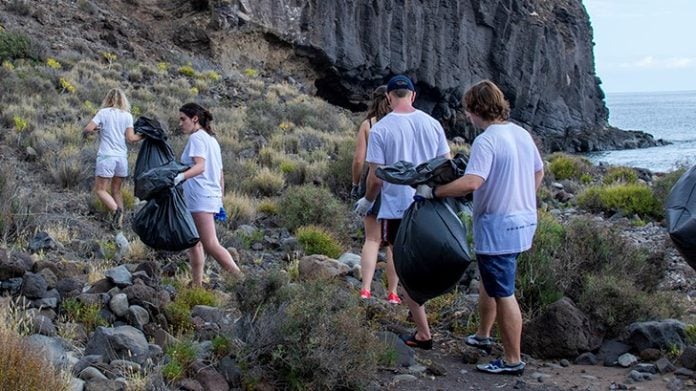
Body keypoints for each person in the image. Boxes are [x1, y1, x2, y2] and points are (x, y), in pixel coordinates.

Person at [415, 80, 544, 375]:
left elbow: (472, 182)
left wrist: (434, 192)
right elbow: (539, 170)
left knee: (503, 291)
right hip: (523, 221)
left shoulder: (487, 140)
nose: (468, 117)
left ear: (476, 109)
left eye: (468, 110)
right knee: (491, 279)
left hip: (499, 226)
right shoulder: (521, 133)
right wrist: (523, 196)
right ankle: (484, 336)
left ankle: (513, 360)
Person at [353, 75, 450, 346]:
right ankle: (420, 312)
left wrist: (368, 201)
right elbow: (446, 164)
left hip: (397, 207)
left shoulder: (383, 129)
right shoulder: (432, 125)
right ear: (413, 95)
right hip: (429, 204)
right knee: (422, 260)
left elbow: (375, 177)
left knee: (401, 258)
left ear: (389, 97)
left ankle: (422, 330)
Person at [175, 102, 243, 287]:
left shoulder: (197, 138)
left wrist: (179, 177)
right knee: (194, 242)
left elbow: (200, 166)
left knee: (210, 244)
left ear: (195, 119)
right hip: (210, 196)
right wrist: (219, 198)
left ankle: (242, 281)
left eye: (183, 119)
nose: (180, 123)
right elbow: (220, 173)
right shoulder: (212, 140)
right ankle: (197, 285)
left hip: (199, 197)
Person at [350, 85, 400, 303]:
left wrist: (355, 183)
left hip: (372, 184)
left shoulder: (368, 124)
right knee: (393, 244)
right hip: (396, 187)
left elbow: (359, 160)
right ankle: (393, 293)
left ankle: (366, 289)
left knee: (372, 239)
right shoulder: (399, 124)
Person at [83, 88, 142, 230]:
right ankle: (119, 224)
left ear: (108, 99)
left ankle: (116, 211)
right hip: (122, 158)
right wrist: (145, 135)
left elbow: (88, 129)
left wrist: (97, 130)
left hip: (106, 156)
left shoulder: (103, 113)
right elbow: (131, 138)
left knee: (100, 190)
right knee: (116, 190)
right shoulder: (127, 116)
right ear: (123, 100)